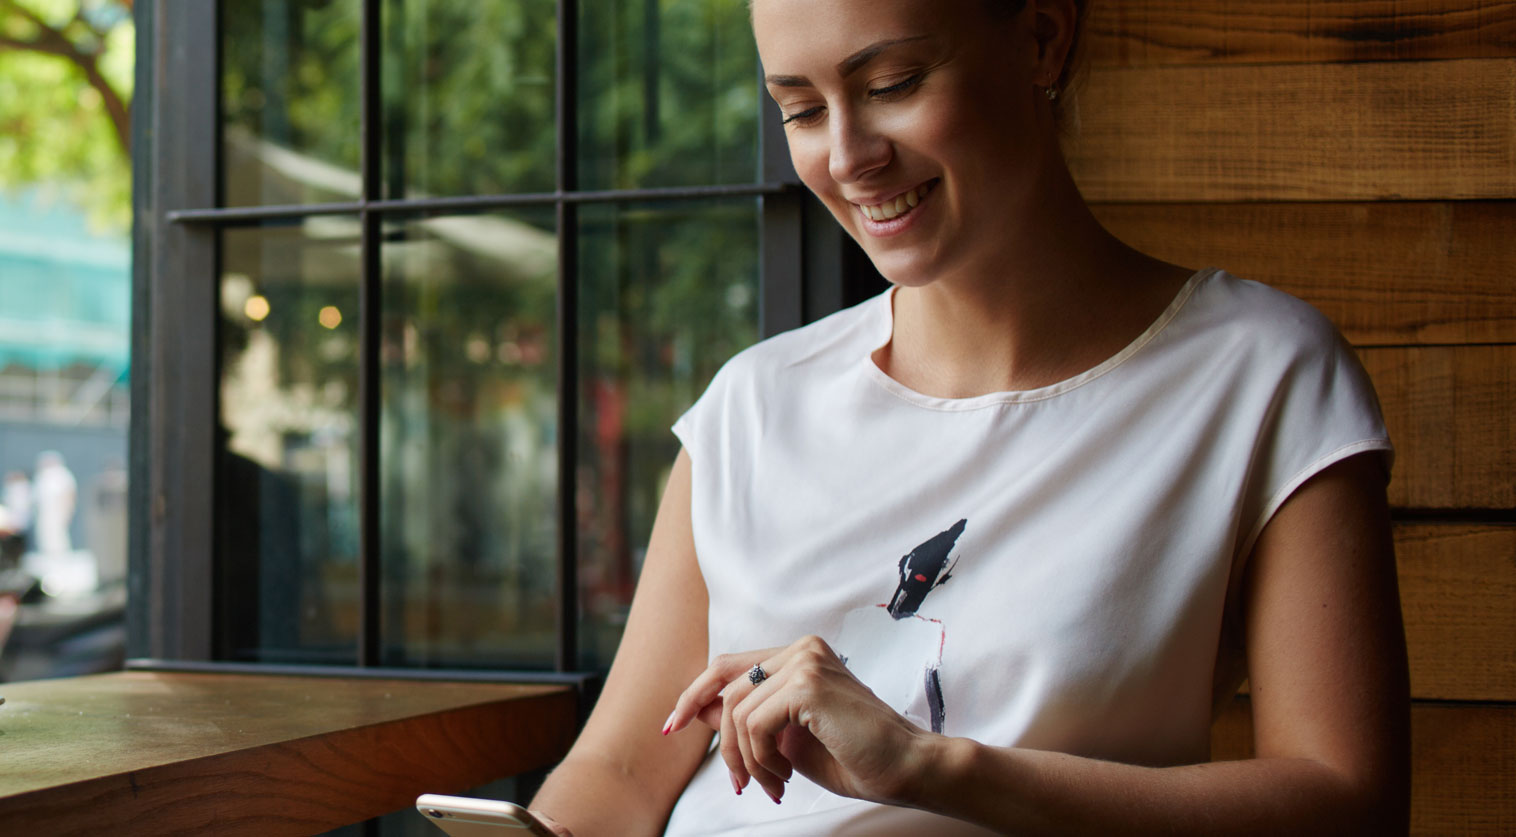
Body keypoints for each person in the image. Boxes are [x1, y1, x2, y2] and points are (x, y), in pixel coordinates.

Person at [525, 1, 1407, 834]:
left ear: (1043, 39)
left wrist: (933, 766)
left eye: (892, 85)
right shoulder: (751, 404)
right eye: (799, 109)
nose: (847, 155)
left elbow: (1348, 803)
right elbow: (622, 773)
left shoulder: (1258, 376)